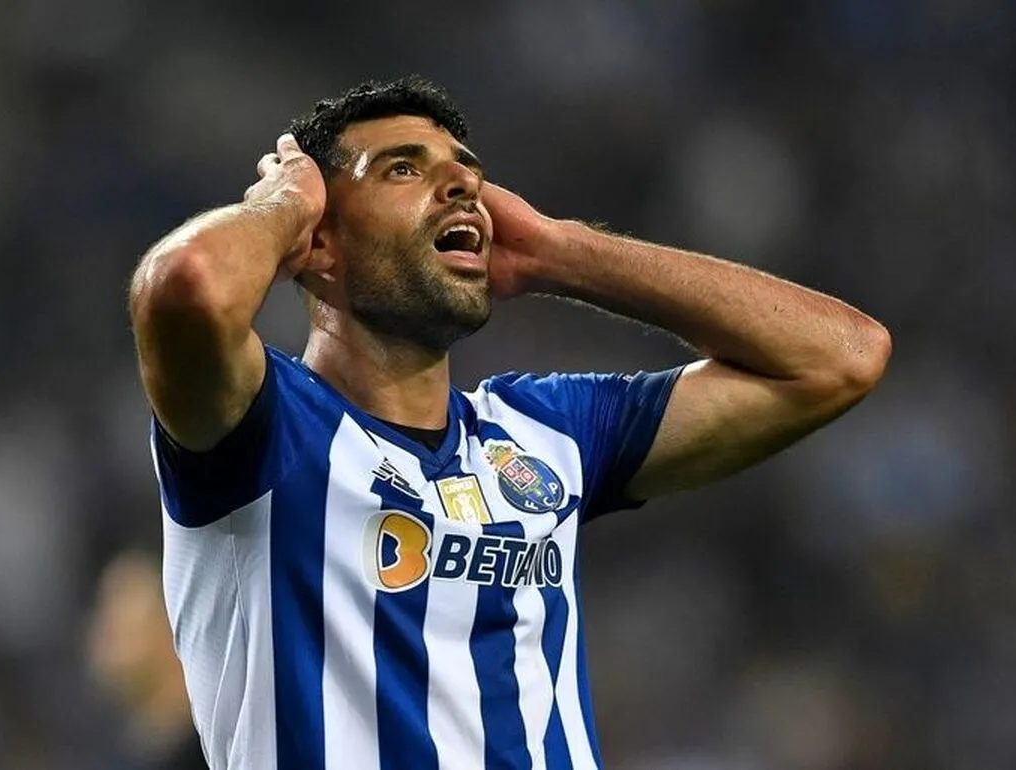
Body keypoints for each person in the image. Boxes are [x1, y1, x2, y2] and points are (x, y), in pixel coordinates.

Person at [128, 76, 891, 770]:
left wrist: (560, 252)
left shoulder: (544, 433)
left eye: (466, 171)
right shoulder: (260, 432)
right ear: (321, 242)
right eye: (403, 169)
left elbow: (842, 358)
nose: (462, 184)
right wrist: (284, 205)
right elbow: (185, 287)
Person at [86, 550, 209, 770]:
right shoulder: (129, 752)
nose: (99, 640)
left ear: (167, 627)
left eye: (118, 630)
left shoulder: (221, 741)